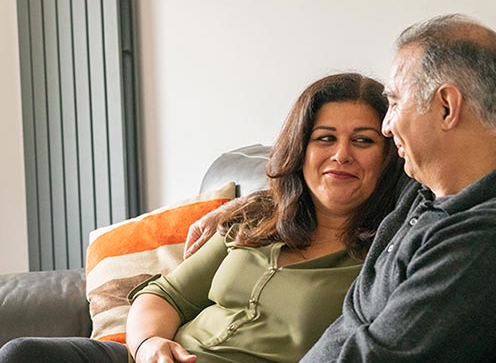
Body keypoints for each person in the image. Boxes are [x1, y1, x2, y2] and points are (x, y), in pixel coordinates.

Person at [0, 72, 405, 363]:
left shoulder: (384, 257)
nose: (341, 155)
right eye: (325, 138)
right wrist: (149, 347)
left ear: (389, 156)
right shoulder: (260, 219)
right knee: (23, 353)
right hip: (156, 357)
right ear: (301, 150)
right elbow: (166, 295)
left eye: (363, 141)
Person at [299, 14, 496, 362]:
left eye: (396, 103)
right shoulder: (432, 188)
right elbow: (320, 182)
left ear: (447, 107)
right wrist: (233, 210)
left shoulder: (490, 238)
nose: (386, 126)